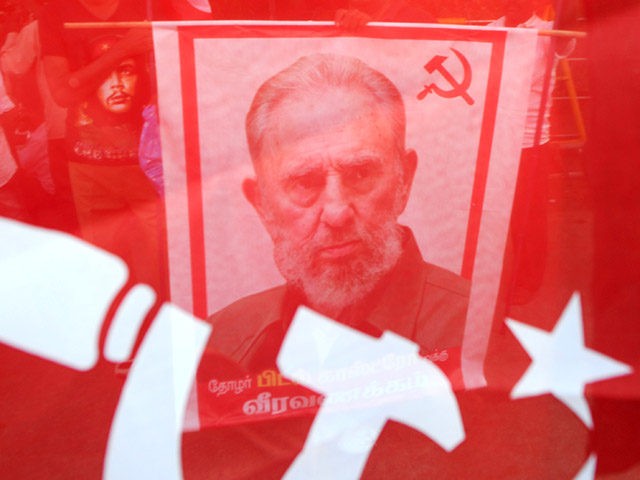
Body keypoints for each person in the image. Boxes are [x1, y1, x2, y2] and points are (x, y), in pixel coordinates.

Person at [203, 53, 469, 372]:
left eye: (360, 173)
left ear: (404, 180)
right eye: (304, 181)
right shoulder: (221, 344)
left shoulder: (477, 330)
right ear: (262, 205)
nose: (337, 212)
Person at [38, 0, 167, 295]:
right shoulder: (56, 10)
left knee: (155, 280)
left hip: (147, 167)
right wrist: (125, 49)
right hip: (89, 167)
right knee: (108, 278)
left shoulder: (149, 5)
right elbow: (61, 93)